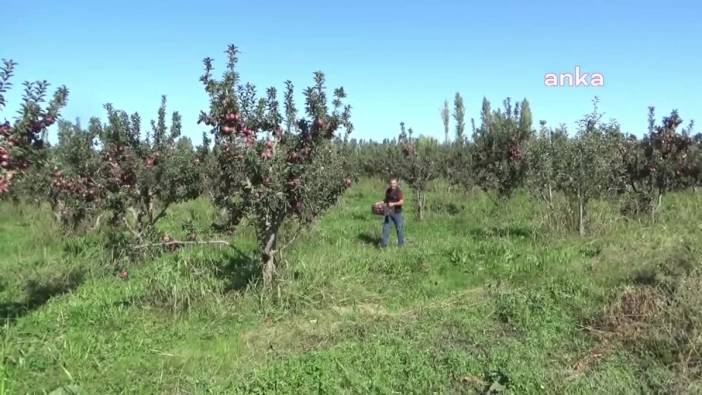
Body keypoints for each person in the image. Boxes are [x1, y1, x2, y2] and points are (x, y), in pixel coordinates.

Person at [376, 177, 405, 247]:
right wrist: (380, 203)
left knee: (399, 229)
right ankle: (383, 245)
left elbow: (401, 201)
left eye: (394, 183)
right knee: (386, 228)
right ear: (389, 184)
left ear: (397, 184)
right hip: (389, 212)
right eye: (391, 183)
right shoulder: (388, 190)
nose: (393, 185)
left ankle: (401, 245)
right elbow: (386, 200)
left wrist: (393, 204)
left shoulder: (398, 191)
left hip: (397, 213)